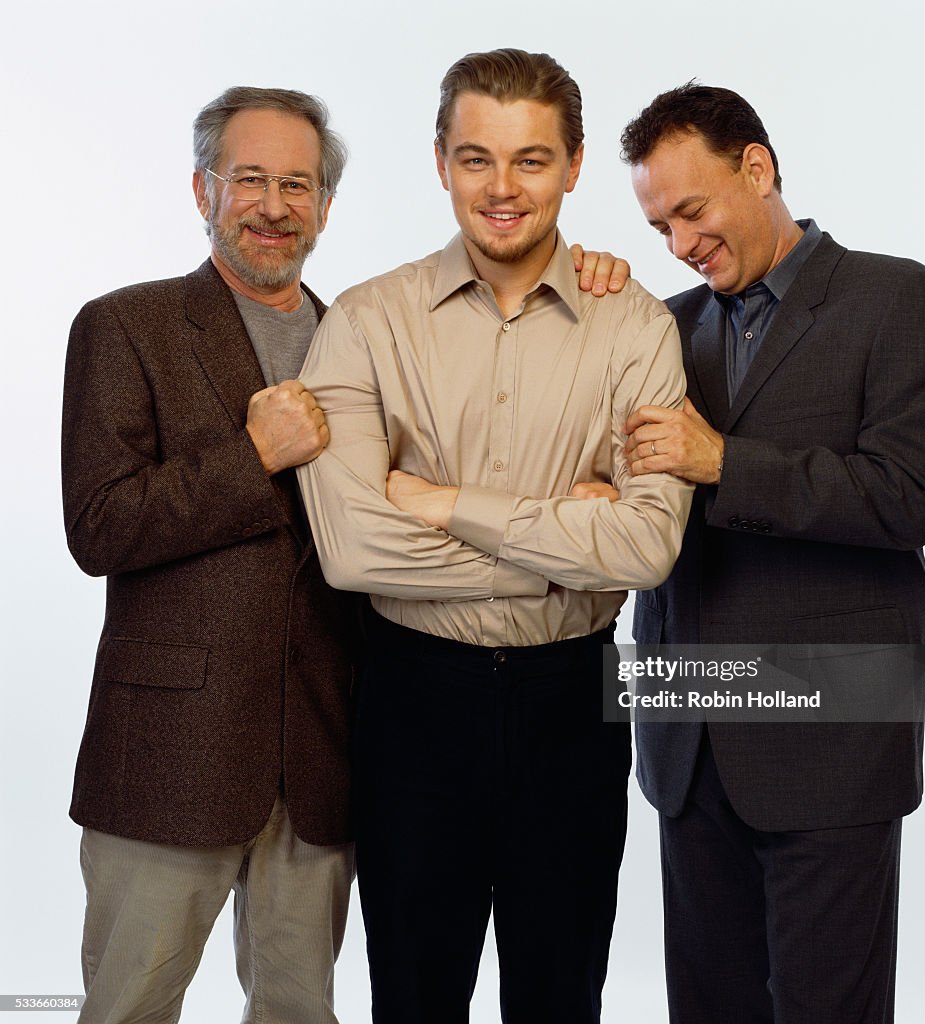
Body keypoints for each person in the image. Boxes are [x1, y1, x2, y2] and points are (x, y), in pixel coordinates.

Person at [61, 82, 629, 1024]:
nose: (275, 206)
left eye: (299, 183)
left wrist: (567, 514)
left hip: (326, 750)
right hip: (171, 754)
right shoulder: (128, 325)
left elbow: (425, 508)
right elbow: (101, 526)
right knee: (131, 1005)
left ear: (327, 203)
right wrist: (251, 457)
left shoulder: (365, 332)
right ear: (203, 192)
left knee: (300, 1011)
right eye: (250, 180)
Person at [297, 48, 694, 1024]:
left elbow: (647, 549)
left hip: (575, 704)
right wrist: (570, 533)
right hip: (412, 701)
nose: (502, 188)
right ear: (440, 162)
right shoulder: (363, 323)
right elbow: (351, 550)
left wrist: (440, 502)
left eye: (530, 159)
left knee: (560, 1000)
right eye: (477, 158)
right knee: (416, 999)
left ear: (572, 164)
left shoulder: (635, 327)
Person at [619, 83, 925, 1023]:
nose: (680, 244)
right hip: (686, 740)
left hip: (833, 740)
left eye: (691, 212)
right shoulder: (659, 324)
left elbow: (906, 497)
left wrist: (721, 461)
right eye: (659, 228)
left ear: (757, 169)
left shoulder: (899, 299)